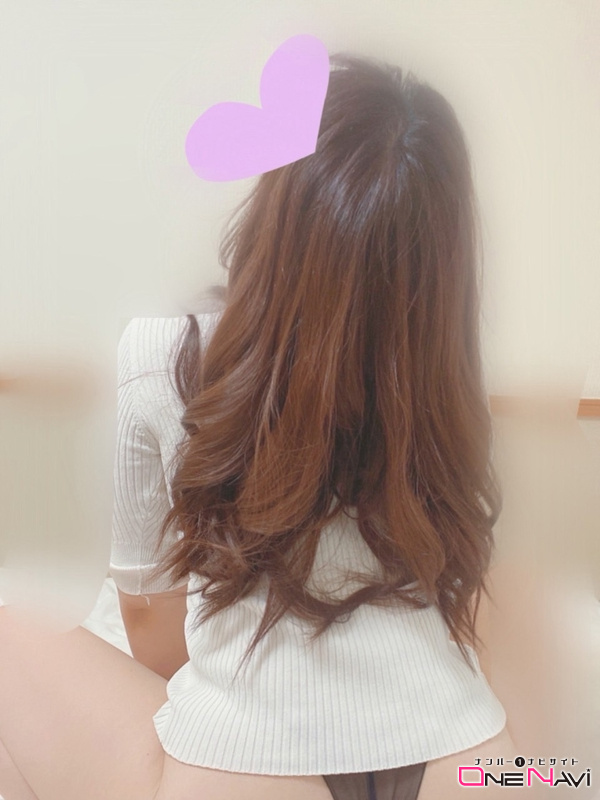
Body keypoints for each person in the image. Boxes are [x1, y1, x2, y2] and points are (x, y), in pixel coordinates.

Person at [0, 51, 523, 800]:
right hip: (475, 763)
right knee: (566, 771)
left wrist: (218, 722)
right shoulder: (447, 383)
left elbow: (151, 626)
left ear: (279, 211)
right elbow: (463, 585)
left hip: (243, 765)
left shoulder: (162, 359)